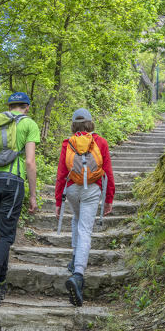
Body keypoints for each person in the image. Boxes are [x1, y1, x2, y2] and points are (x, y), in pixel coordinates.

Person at [0, 92, 40, 306]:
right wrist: (32, 195)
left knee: (2, 234)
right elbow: (29, 162)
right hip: (13, 181)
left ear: (9, 106)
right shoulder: (28, 124)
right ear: (27, 107)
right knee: (6, 236)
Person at [55, 108, 115, 306]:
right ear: (90, 123)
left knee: (76, 219)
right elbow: (107, 172)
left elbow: (61, 173)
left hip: (72, 190)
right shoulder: (100, 142)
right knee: (85, 230)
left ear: (73, 125)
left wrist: (58, 201)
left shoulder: (68, 143)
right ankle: (78, 274)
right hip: (92, 191)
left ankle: (74, 257)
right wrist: (109, 199)